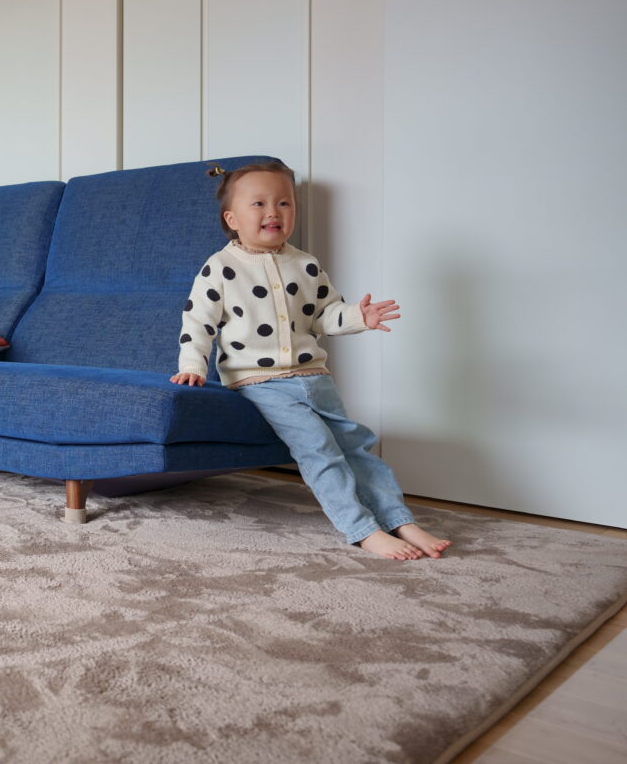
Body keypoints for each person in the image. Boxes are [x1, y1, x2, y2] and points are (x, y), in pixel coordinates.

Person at [169, 161, 450, 561]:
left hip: (316, 378)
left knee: (356, 447)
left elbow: (324, 315)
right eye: (259, 204)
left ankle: (398, 519)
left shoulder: (305, 264)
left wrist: (358, 317)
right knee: (319, 448)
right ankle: (363, 529)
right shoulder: (221, 268)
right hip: (261, 383)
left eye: (284, 203)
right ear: (231, 219)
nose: (273, 212)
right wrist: (193, 366)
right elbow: (198, 322)